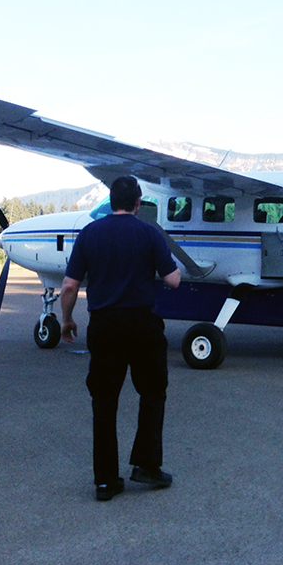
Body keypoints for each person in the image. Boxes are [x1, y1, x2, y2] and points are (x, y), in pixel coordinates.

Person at [59, 176, 181, 501]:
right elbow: (172, 280)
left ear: (111, 201)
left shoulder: (89, 233)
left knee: (104, 401)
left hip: (104, 325)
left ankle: (105, 482)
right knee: (153, 393)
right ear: (138, 203)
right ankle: (146, 466)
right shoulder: (149, 233)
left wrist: (67, 320)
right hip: (143, 325)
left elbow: (70, 285)